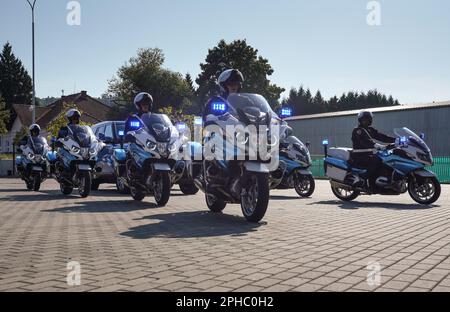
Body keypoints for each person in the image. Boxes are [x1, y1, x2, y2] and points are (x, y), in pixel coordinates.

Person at [351, 111, 396, 189]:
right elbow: (365, 141)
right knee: (377, 159)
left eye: (368, 119)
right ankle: (362, 179)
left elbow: (381, 136)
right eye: (364, 119)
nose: (367, 121)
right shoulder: (358, 130)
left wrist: (396, 140)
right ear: (360, 120)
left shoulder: (370, 129)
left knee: (386, 158)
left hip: (368, 155)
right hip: (359, 156)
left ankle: (384, 181)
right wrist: (377, 145)